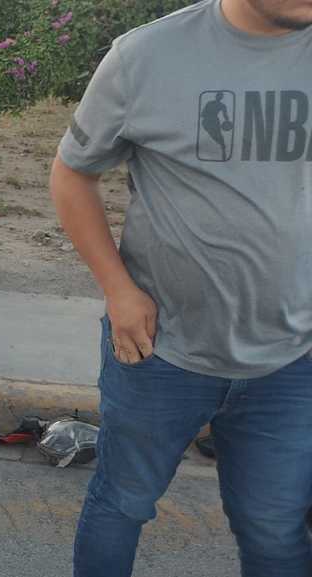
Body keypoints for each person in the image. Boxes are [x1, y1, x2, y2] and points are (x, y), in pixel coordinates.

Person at [50, 0, 312, 575]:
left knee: (275, 529)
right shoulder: (145, 56)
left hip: (292, 358)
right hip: (160, 348)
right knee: (122, 504)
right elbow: (73, 173)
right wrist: (118, 289)